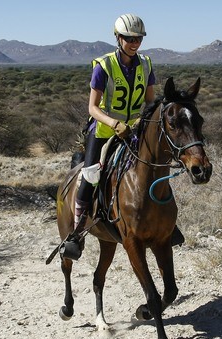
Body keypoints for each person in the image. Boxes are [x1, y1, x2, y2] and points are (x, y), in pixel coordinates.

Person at [61, 14, 183, 260]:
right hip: (104, 131)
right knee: (90, 175)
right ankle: (75, 233)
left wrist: (141, 122)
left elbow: (150, 101)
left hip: (134, 130)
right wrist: (114, 123)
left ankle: (168, 223)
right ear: (118, 38)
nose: (134, 42)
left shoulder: (146, 64)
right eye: (128, 38)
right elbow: (93, 108)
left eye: (138, 38)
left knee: (155, 167)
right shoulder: (103, 65)